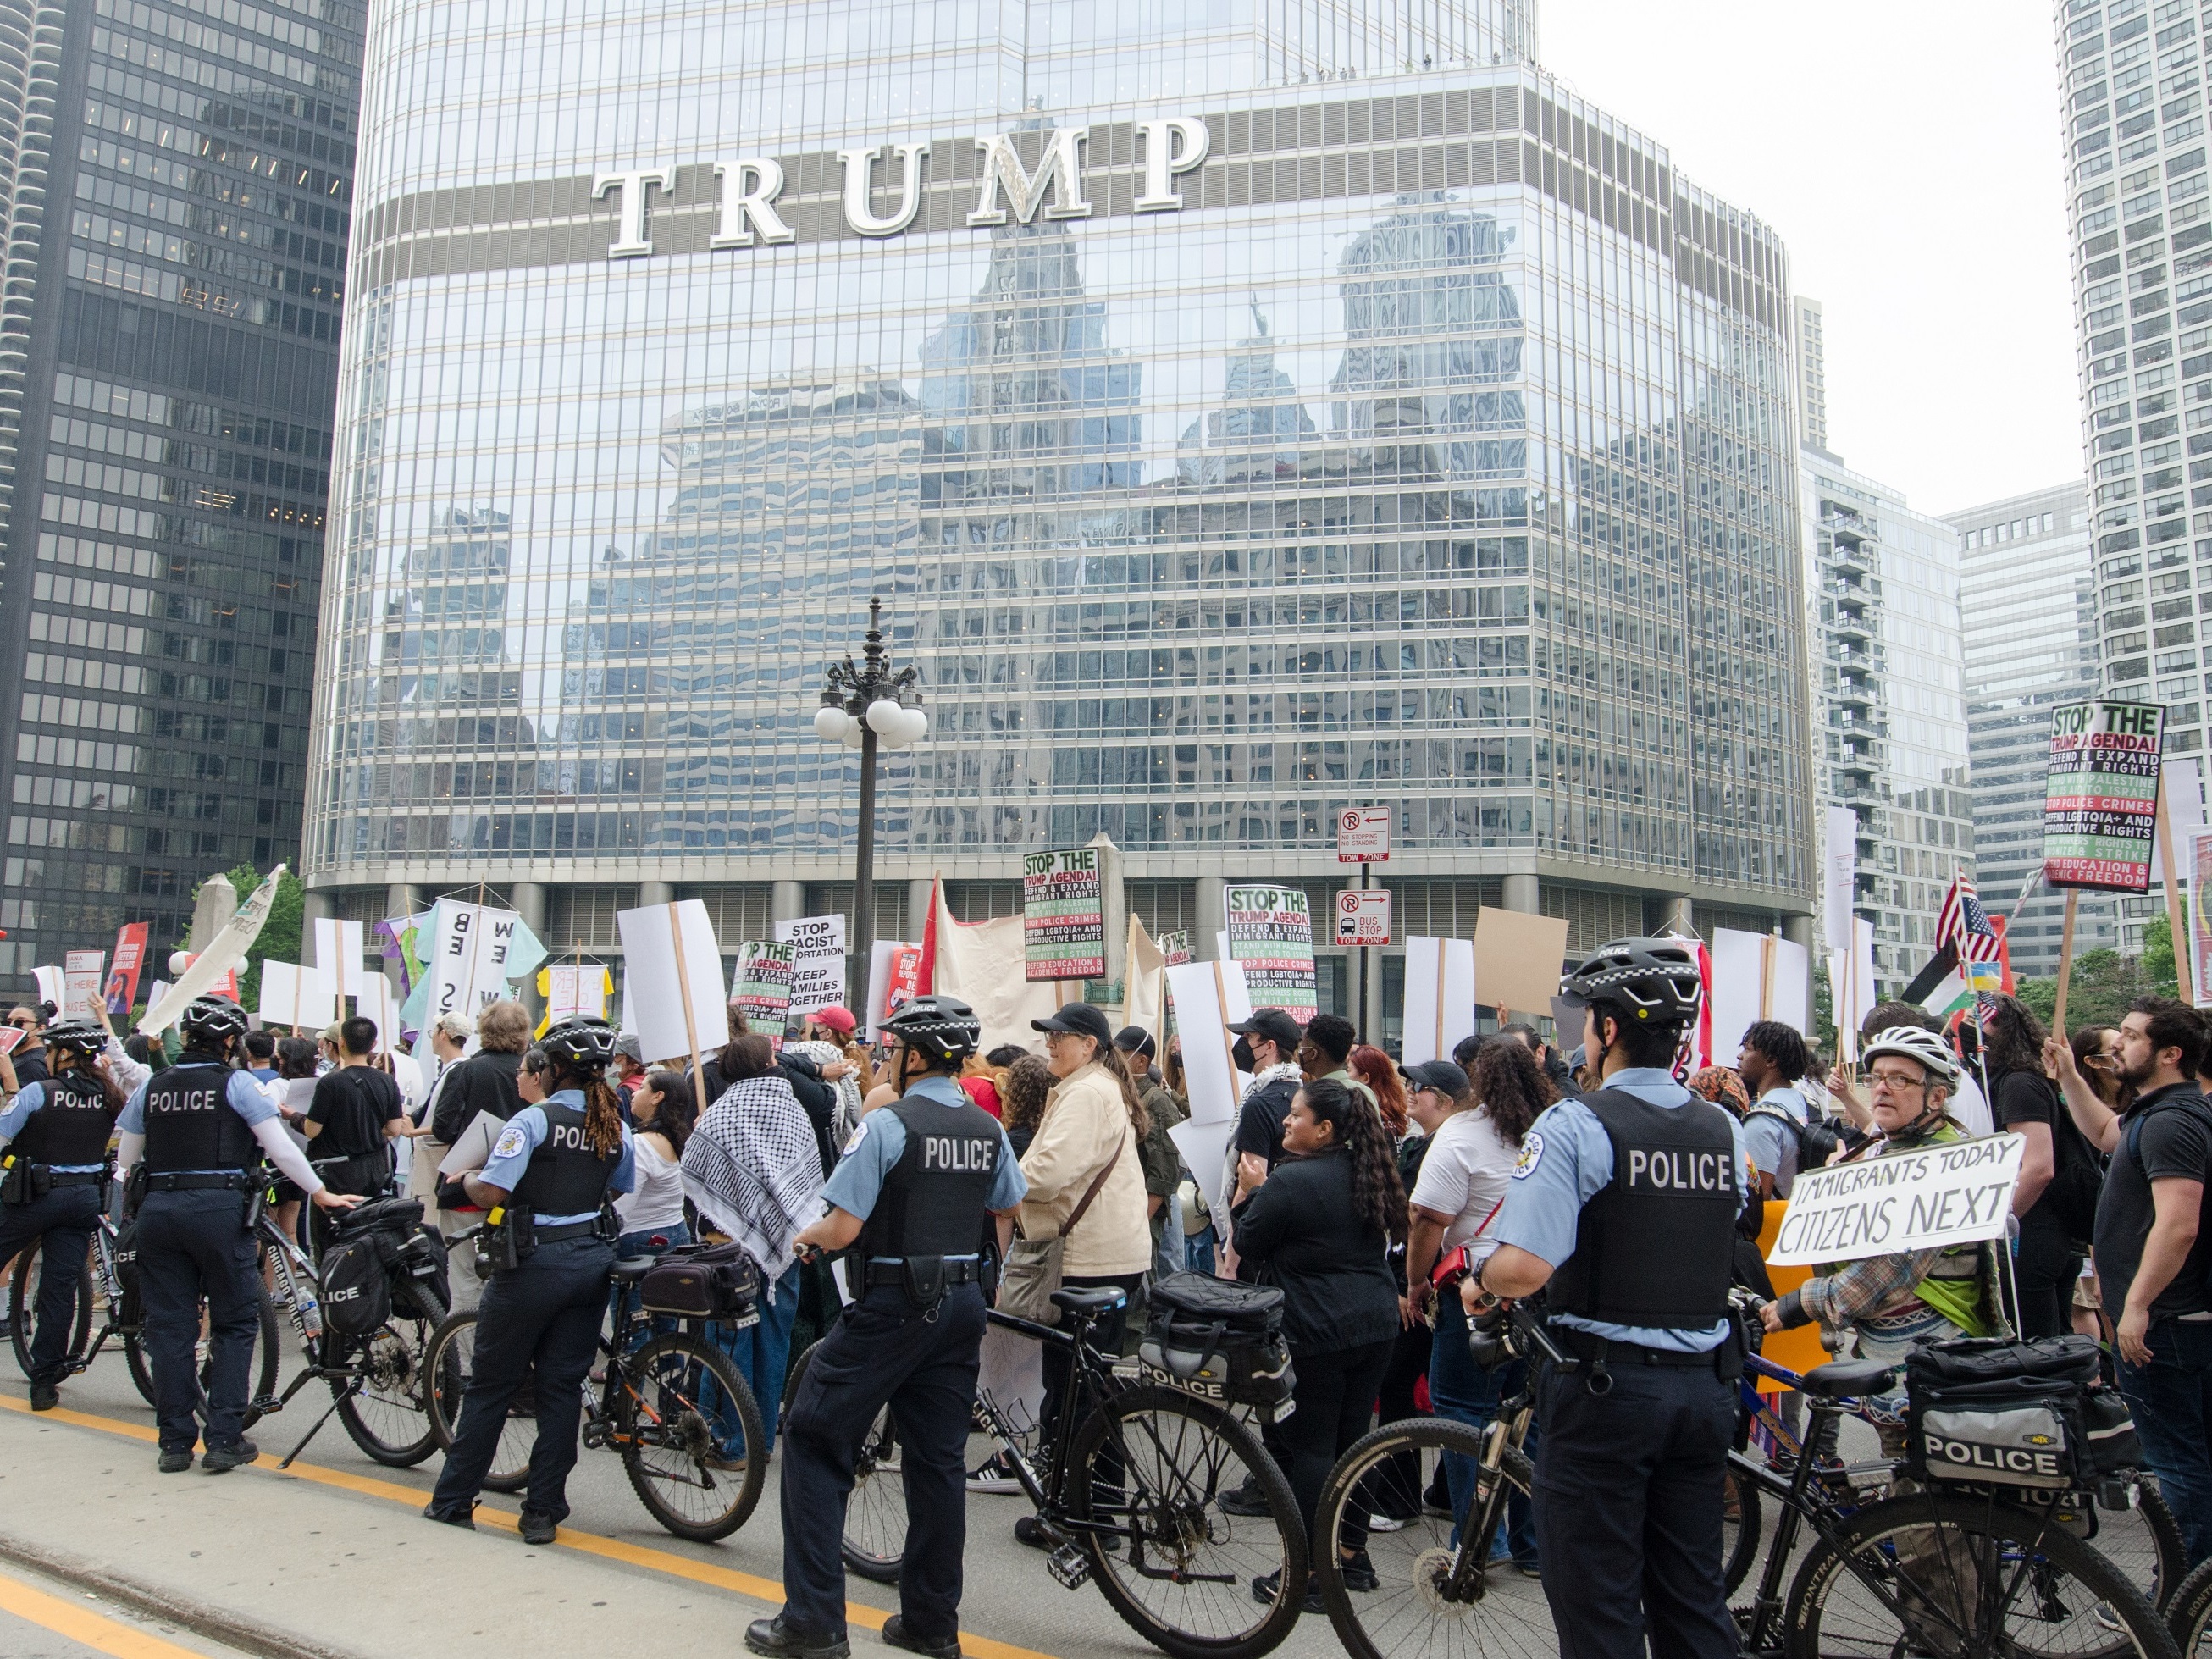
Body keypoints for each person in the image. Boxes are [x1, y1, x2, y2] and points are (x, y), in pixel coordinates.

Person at [1468, 937, 1750, 1659]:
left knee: (1600, 1610)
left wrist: (1480, 1279)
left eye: (1587, 1020)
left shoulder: (1577, 1124)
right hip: (1704, 1392)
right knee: (1693, 1601)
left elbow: (1526, 1266)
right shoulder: (1722, 1127)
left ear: (1610, 1029)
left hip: (1607, 1395)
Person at [750, 994, 1024, 1659]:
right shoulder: (988, 1129)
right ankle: (932, 1625)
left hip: (894, 1305)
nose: (889, 1057)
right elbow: (1009, 1203)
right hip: (961, 1309)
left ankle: (813, 1624)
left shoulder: (889, 1124)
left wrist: (808, 1237)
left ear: (918, 1056)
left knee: (814, 1437)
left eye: (897, 1047)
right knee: (937, 1464)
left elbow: (842, 1226)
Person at [116, 996, 361, 1472]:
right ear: (230, 1043)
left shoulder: (153, 1087)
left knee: (170, 1329)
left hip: (160, 1213)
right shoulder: (238, 1084)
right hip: (220, 1211)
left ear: (185, 1038)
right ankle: (224, 1438)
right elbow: (281, 1150)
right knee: (233, 1322)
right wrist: (319, 1192)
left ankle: (173, 1444)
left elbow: (127, 1161)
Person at [425, 1015, 634, 1545]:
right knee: (562, 1387)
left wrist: (465, 1177)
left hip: (531, 1265)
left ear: (554, 1069)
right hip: (590, 1264)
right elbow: (622, 1183)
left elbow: (493, 1193)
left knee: (492, 1384)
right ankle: (542, 1511)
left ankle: (453, 1501)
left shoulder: (532, 1122)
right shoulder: (616, 1126)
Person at [2045, 999, 2212, 1566]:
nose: (2120, 1043)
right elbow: (2102, 1131)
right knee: (2191, 1464)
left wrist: (2137, 1304)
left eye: (2134, 1036)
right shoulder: (2156, 1112)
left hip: (2170, 1325)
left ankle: (2189, 1605)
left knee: (2181, 1469)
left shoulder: (2170, 1122)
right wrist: (2068, 1073)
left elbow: (2179, 1222)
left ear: (2170, 1054)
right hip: (2172, 1321)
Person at [1232, 1076, 1407, 1612]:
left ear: (1325, 1129)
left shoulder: (1291, 1181)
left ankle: (1309, 1569)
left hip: (1316, 1326)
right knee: (1356, 1440)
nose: (1287, 1120)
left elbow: (1247, 1240)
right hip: (1375, 1320)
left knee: (1311, 1447)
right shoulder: (1371, 1171)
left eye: (1298, 1115)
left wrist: (1250, 1192)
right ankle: (1351, 1554)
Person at [1761, 1027, 2007, 1359]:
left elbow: (1890, 1270)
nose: (1881, 1088)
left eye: (1900, 1079)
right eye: (1876, 1077)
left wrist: (1795, 1306)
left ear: (1936, 1097)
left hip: (1933, 1347)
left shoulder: (1945, 1162)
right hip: (1884, 1342)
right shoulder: (1886, 1150)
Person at [1407, 1042, 1552, 1573]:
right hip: (1539, 1288)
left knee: (1463, 1413)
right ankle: (1534, 1544)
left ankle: (1480, 1537)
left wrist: (1417, 1282)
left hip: (1475, 1292)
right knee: (1527, 1417)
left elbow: (1428, 1220)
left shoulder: (1460, 1136)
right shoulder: (1551, 1131)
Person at [1013, 1000, 1153, 1550]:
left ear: (1090, 1043)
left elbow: (1048, 1171)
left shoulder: (1086, 1091)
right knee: (1092, 1386)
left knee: (1079, 1391)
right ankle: (1093, 1508)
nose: (1050, 1042)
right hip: (1110, 1254)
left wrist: (1002, 1179)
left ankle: (1082, 1516)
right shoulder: (1095, 1085)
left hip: (1094, 1259)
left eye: (1060, 1035)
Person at [683, 1033, 823, 1452]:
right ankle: (758, 1441)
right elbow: (807, 1181)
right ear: (768, 1062)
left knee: (731, 1341)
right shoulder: (793, 1108)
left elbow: (694, 1171)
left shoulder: (720, 1114)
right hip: (790, 1243)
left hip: (729, 1245)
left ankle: (728, 1440)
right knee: (773, 1340)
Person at [0, 1018, 124, 1408]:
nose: (48, 1057)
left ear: (65, 1054)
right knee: (58, 1291)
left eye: (51, 1050)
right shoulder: (111, 1096)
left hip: (34, 1198)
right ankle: (43, 1382)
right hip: (84, 1200)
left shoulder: (38, 1092)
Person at [1981, 995, 2092, 1340]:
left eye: (1978, 1030)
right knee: (2056, 1345)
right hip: (2046, 1235)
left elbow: (2038, 1166)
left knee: (2039, 1352)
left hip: (2032, 1237)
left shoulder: (2018, 1083)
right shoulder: (2029, 1079)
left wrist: (1996, 1227)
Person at [302, 1015, 406, 1246]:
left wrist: (295, 1118)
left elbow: (312, 1130)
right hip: (375, 1169)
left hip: (337, 1170)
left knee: (332, 1237)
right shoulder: (387, 1081)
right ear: (373, 1044)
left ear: (341, 1043)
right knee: (369, 1232)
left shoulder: (331, 1083)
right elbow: (394, 1128)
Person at [1114, 1026, 1187, 1282]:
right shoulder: (1126, 1095)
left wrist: (1139, 1222)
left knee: (1141, 1289)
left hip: (1143, 1213)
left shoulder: (1156, 1101)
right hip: (1122, 1210)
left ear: (1142, 1060)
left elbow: (1164, 1171)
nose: (1115, 1060)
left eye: (1122, 1054)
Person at [614, 1068, 695, 1263]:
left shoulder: (642, 1145)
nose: (634, 1093)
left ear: (657, 1097)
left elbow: (623, 1205)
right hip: (677, 1231)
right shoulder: (680, 1140)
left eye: (642, 1088)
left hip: (642, 1239)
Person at [1226, 1007, 1304, 1206]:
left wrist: (1234, 1233)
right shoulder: (1303, 1093)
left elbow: (1249, 1180)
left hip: (1263, 1215)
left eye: (1249, 1036)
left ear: (1270, 1046)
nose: (1242, 1043)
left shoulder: (1259, 1105)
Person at [431, 999, 531, 1146]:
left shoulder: (466, 1070)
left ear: (484, 1029)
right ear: (524, 1031)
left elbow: (443, 1129)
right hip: (520, 1158)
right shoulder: (534, 1072)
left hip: (471, 1161)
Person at [1738, 1020, 1814, 1200]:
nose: (1740, 1056)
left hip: (1776, 1224)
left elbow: (1758, 1196)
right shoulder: (1808, 1103)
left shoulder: (1762, 1120)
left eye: (1748, 1049)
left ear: (1771, 1061)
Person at [1297, 1012, 1374, 1110]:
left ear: (1313, 1054)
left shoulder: (1314, 1096)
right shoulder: (1366, 1092)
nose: (1300, 1053)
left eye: (1303, 1048)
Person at [1500, 1019, 1580, 1099]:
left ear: (1540, 1053)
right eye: (1503, 1056)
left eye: (1519, 1054)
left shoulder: (1566, 1096)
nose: (1510, 1063)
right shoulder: (1503, 1092)